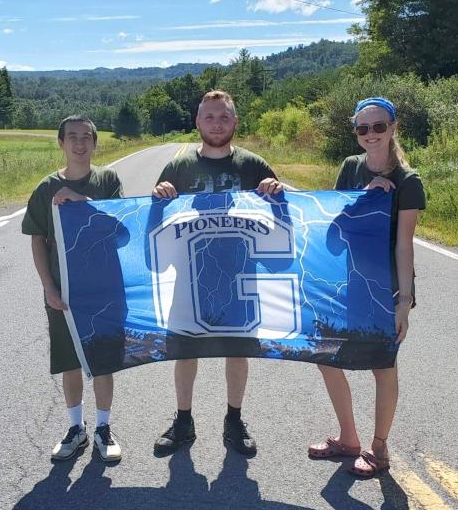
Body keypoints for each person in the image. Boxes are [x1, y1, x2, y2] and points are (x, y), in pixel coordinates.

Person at [151, 90, 284, 457]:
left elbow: (282, 220)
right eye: (209, 117)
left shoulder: (254, 165)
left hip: (241, 275)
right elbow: (155, 222)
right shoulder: (178, 169)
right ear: (197, 121)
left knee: (237, 351)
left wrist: (279, 193)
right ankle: (183, 420)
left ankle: (234, 419)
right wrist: (158, 197)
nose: (216, 123)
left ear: (235, 121)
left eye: (224, 116)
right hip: (189, 274)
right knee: (184, 349)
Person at [307, 97, 426, 476]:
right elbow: (335, 221)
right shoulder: (350, 168)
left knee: (381, 366)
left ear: (393, 128)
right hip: (348, 281)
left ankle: (379, 448)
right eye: (363, 128)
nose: (371, 134)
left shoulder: (409, 181)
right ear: (356, 132)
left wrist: (403, 303)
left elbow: (404, 244)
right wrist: (363, 198)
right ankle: (348, 438)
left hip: (384, 288)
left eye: (378, 127)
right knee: (325, 356)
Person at [22, 115, 124, 462]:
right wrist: (48, 286)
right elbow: (38, 239)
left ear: (95, 143)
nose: (80, 144)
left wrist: (82, 202)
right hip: (64, 292)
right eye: (72, 137)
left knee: (103, 360)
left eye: (86, 137)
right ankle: (75, 428)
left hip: (104, 287)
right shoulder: (46, 188)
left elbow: (119, 226)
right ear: (61, 143)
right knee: (70, 362)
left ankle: (103, 428)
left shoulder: (108, 180)